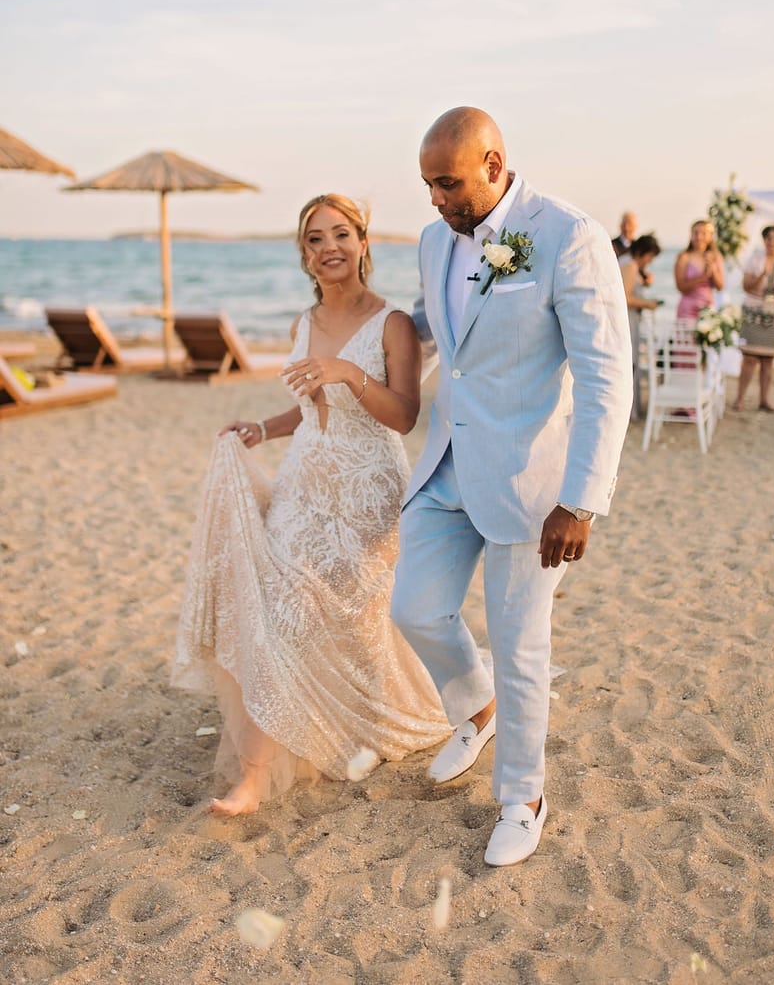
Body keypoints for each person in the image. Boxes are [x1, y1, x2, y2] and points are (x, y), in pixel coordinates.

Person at [391, 107, 632, 867]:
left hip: (533, 486)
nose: (435, 200)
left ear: (494, 164)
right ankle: (477, 706)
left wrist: (582, 498)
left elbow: (605, 377)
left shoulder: (570, 237)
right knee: (416, 608)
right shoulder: (435, 242)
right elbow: (440, 334)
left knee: (521, 646)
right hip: (445, 467)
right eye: (428, 185)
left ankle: (523, 796)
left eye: (447, 183)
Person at [173, 193, 450, 815]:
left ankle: (345, 722)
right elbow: (306, 410)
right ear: (305, 254)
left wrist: (349, 373)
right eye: (316, 239)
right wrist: (261, 431)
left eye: (341, 234)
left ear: (363, 243)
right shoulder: (302, 321)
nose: (330, 248)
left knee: (346, 622)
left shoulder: (394, 324)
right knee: (277, 602)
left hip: (365, 489)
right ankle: (253, 776)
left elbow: (403, 417)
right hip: (304, 483)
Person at [733, 224, 774, 412]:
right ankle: (740, 399)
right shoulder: (754, 259)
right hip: (754, 311)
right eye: (769, 238)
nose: (772, 242)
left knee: (768, 359)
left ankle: (764, 400)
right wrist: (761, 275)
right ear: (764, 240)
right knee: (749, 357)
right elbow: (746, 286)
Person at [619, 234, 662, 420]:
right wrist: (647, 304)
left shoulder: (631, 264)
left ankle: (632, 410)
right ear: (643, 252)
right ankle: (629, 412)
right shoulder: (629, 265)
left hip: (632, 319)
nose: (650, 261)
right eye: (650, 257)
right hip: (627, 320)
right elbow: (624, 298)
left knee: (632, 363)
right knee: (630, 363)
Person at [674, 219, 725, 321]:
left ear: (710, 236)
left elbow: (720, 287)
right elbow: (680, 287)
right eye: (695, 233)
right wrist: (703, 276)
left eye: (703, 233)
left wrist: (712, 269)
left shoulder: (716, 256)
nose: (699, 237)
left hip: (708, 309)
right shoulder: (684, 257)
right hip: (688, 309)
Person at [612, 211, 653, 286]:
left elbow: (639, 266)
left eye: (630, 224)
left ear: (635, 226)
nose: (627, 228)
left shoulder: (639, 246)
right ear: (620, 225)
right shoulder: (612, 245)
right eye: (624, 224)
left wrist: (645, 277)